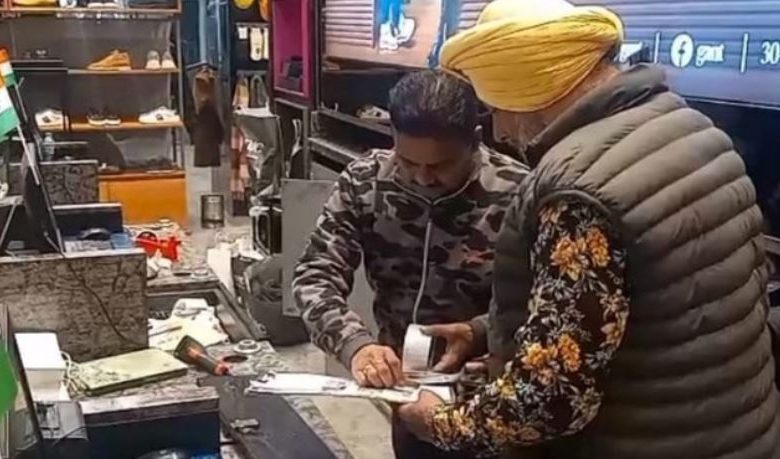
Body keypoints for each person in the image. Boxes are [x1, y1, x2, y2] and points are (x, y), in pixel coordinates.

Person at [397, 0, 780, 458]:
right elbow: (665, 304)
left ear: (526, 92)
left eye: (495, 107)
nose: (499, 130)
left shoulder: (579, 191)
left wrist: (441, 423)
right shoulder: (693, 130)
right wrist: (486, 332)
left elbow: (552, 397)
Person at [293, 69, 527, 459]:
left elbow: (543, 303)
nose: (422, 178)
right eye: (407, 161)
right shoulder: (366, 181)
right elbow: (315, 275)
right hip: (405, 390)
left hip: (489, 402)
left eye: (441, 165)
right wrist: (356, 346)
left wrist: (480, 331)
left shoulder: (517, 193)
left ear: (475, 140)